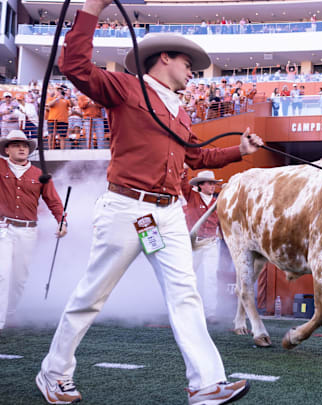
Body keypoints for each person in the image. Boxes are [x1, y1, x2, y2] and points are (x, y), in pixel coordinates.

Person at [36, 2, 263, 403]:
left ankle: (206, 383)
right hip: (127, 208)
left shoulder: (181, 110)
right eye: (187, 62)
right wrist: (92, 7)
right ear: (164, 59)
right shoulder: (125, 87)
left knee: (184, 293)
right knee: (91, 297)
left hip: (167, 212)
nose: (193, 70)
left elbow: (197, 157)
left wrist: (239, 151)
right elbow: (74, 67)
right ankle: (54, 373)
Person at [0, 130, 67, 334]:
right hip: (2, 228)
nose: (22, 148)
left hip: (28, 231)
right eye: (16, 144)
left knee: (19, 278)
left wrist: (62, 221)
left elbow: (53, 201)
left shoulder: (39, 174)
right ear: (7, 149)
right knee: (2, 274)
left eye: (25, 145)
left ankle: (9, 313)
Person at [182, 170, 223, 323]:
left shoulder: (218, 202)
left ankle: (209, 313)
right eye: (210, 183)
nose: (213, 186)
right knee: (187, 276)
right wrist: (184, 169)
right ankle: (184, 308)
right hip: (193, 242)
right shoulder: (192, 196)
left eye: (214, 183)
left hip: (211, 243)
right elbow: (182, 183)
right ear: (200, 185)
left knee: (210, 277)